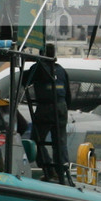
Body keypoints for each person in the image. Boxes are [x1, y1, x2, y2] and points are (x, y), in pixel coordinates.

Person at [26, 43, 72, 184]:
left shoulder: (39, 67)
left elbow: (25, 80)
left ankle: (48, 170)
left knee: (36, 140)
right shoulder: (62, 70)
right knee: (60, 142)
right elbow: (68, 94)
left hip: (46, 107)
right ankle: (61, 173)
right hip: (61, 107)